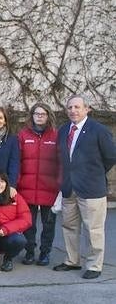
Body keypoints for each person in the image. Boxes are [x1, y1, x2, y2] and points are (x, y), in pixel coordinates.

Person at [53, 94, 116, 279]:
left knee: (93, 229)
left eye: (77, 107)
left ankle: (94, 265)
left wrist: (94, 172)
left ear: (87, 109)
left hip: (91, 188)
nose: (73, 110)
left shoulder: (99, 130)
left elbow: (111, 157)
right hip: (69, 187)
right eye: (70, 107)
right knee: (69, 226)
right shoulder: (64, 130)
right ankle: (72, 261)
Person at [18, 103, 60, 266]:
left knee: (48, 224)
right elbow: (18, 162)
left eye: (43, 114)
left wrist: (59, 184)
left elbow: (61, 162)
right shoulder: (23, 135)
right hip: (27, 188)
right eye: (37, 113)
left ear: (48, 116)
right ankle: (29, 251)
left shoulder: (56, 135)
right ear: (32, 115)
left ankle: (45, 252)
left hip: (50, 188)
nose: (40, 116)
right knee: (29, 224)